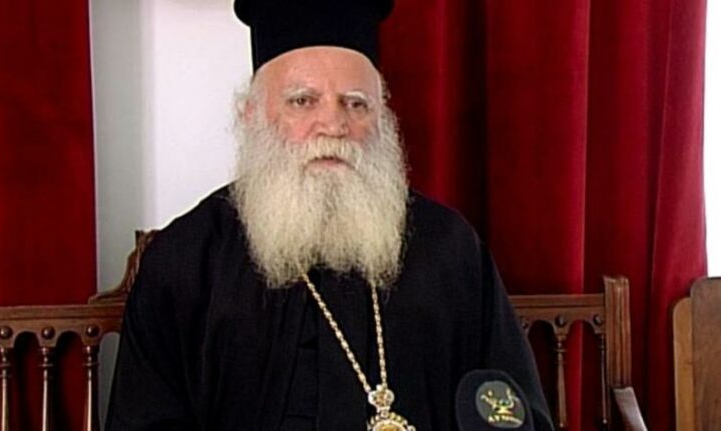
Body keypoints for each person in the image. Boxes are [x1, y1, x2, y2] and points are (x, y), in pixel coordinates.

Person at [106, 0, 553, 430]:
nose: (334, 125)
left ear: (382, 117)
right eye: (303, 101)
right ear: (251, 115)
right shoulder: (186, 261)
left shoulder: (450, 250)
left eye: (355, 103)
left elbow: (511, 411)